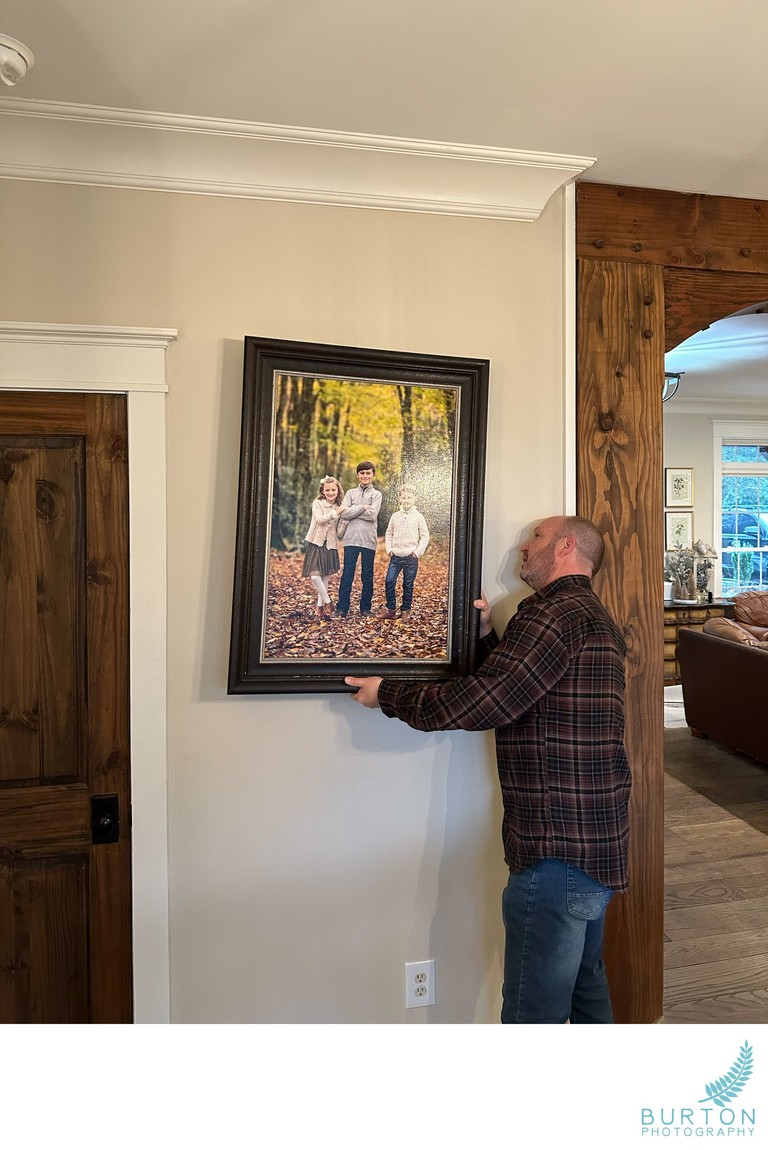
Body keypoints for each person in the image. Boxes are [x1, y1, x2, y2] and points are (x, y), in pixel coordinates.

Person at [345, 515, 631, 1025]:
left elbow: (487, 702)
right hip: (593, 841)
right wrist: (484, 638)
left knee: (532, 1014)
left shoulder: (551, 615)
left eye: (536, 537)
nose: (523, 546)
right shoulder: (590, 616)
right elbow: (528, 695)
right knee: (585, 990)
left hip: (555, 849)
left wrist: (387, 693)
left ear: (566, 547)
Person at [335, 462, 382, 618]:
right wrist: (363, 507)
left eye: (368, 473)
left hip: (368, 540)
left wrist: (353, 510)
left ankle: (365, 608)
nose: (365, 476)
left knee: (367, 576)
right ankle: (342, 609)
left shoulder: (377, 495)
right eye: (362, 473)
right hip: (351, 540)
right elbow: (344, 514)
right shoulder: (350, 493)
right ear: (358, 475)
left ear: (373, 475)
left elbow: (372, 516)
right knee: (347, 574)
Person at [382, 486, 430, 620]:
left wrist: (417, 552)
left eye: (409, 497)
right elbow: (389, 533)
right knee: (389, 581)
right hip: (396, 556)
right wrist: (389, 549)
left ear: (415, 499)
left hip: (411, 557)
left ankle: (405, 611)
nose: (406, 500)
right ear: (399, 499)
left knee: (408, 585)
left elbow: (425, 536)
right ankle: (391, 610)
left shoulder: (419, 517)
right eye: (403, 497)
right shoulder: (395, 516)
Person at [301, 475, 343, 618]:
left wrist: (345, 521)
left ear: (338, 491)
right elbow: (319, 520)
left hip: (330, 545)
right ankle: (328, 602)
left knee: (325, 577)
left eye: (333, 490)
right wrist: (335, 513)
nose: (331, 493)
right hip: (316, 542)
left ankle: (319, 608)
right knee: (315, 577)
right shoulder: (318, 503)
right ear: (323, 491)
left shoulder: (339, 507)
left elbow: (339, 530)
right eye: (328, 490)